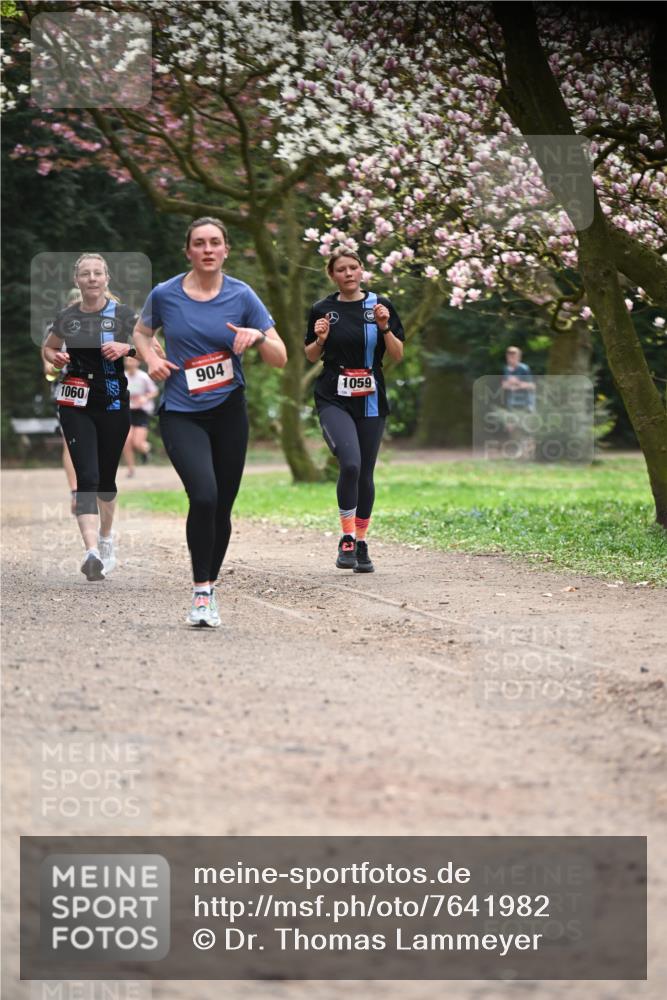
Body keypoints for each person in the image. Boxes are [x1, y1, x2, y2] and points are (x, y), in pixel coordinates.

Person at [133, 216, 287, 628]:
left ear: (225, 250)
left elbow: (280, 356)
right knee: (203, 495)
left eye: (214, 242)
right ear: (188, 251)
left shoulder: (242, 295)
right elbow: (142, 333)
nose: (207, 249)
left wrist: (258, 337)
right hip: (182, 413)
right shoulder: (165, 294)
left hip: (229, 413)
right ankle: (201, 593)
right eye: (199, 243)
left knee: (221, 506)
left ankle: (210, 586)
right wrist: (151, 359)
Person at [304, 246, 404, 573]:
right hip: (333, 395)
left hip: (371, 397)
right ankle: (346, 537)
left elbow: (398, 354)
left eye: (352, 267)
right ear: (332, 275)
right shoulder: (322, 309)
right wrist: (320, 339)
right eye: (340, 269)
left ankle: (361, 542)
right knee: (350, 464)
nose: (347, 273)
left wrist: (385, 327)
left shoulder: (380, 305)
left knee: (365, 473)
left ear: (361, 270)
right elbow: (310, 355)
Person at [42, 254, 137, 580]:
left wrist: (126, 349)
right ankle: (91, 552)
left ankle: (106, 539)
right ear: (77, 280)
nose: (92, 278)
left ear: (106, 278)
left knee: (106, 481)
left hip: (113, 404)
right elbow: (49, 348)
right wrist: (56, 357)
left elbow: (152, 350)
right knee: (87, 476)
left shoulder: (123, 315)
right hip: (75, 403)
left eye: (98, 273)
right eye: (86, 274)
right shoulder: (67, 317)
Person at [41, 287, 81, 514]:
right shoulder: (54, 330)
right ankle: (76, 492)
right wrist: (58, 364)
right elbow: (48, 370)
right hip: (69, 388)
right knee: (71, 441)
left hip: (98, 389)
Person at [122, 355, 158, 477]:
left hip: (141, 412)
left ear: (138, 362)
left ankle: (146, 449)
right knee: (126, 441)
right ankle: (131, 469)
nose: (130, 362)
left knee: (137, 443)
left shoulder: (144, 377)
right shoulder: (123, 376)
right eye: (128, 359)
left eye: (132, 359)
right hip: (127, 412)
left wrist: (145, 398)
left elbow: (154, 391)